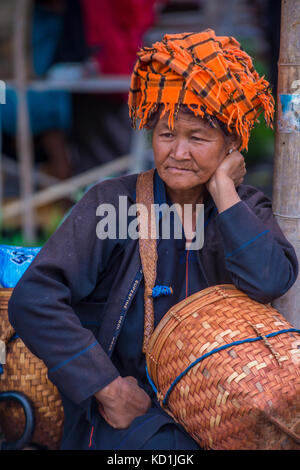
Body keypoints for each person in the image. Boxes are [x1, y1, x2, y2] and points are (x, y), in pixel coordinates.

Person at [8, 29, 298, 450]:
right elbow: (34, 298)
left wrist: (222, 190)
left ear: (231, 144)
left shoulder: (244, 207)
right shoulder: (113, 202)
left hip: (227, 417)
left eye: (197, 138)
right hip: (131, 422)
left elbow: (271, 279)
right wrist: (108, 388)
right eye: (165, 134)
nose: (177, 152)